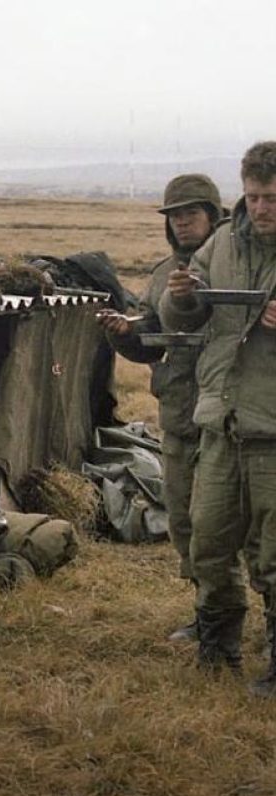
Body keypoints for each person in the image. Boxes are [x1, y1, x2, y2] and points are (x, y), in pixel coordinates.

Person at [97, 174, 244, 642]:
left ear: (213, 215)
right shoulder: (164, 274)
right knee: (183, 521)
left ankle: (232, 620)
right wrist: (123, 335)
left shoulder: (236, 267)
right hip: (181, 415)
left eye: (191, 214)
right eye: (174, 216)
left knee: (231, 528)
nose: (182, 223)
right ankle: (208, 615)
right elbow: (152, 343)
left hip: (234, 417)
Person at [159, 141, 276, 693]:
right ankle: (217, 649)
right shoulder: (224, 243)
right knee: (208, 543)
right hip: (222, 421)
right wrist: (183, 296)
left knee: (275, 557)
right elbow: (182, 316)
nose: (260, 208)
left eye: (271, 198)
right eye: (253, 197)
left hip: (274, 430)